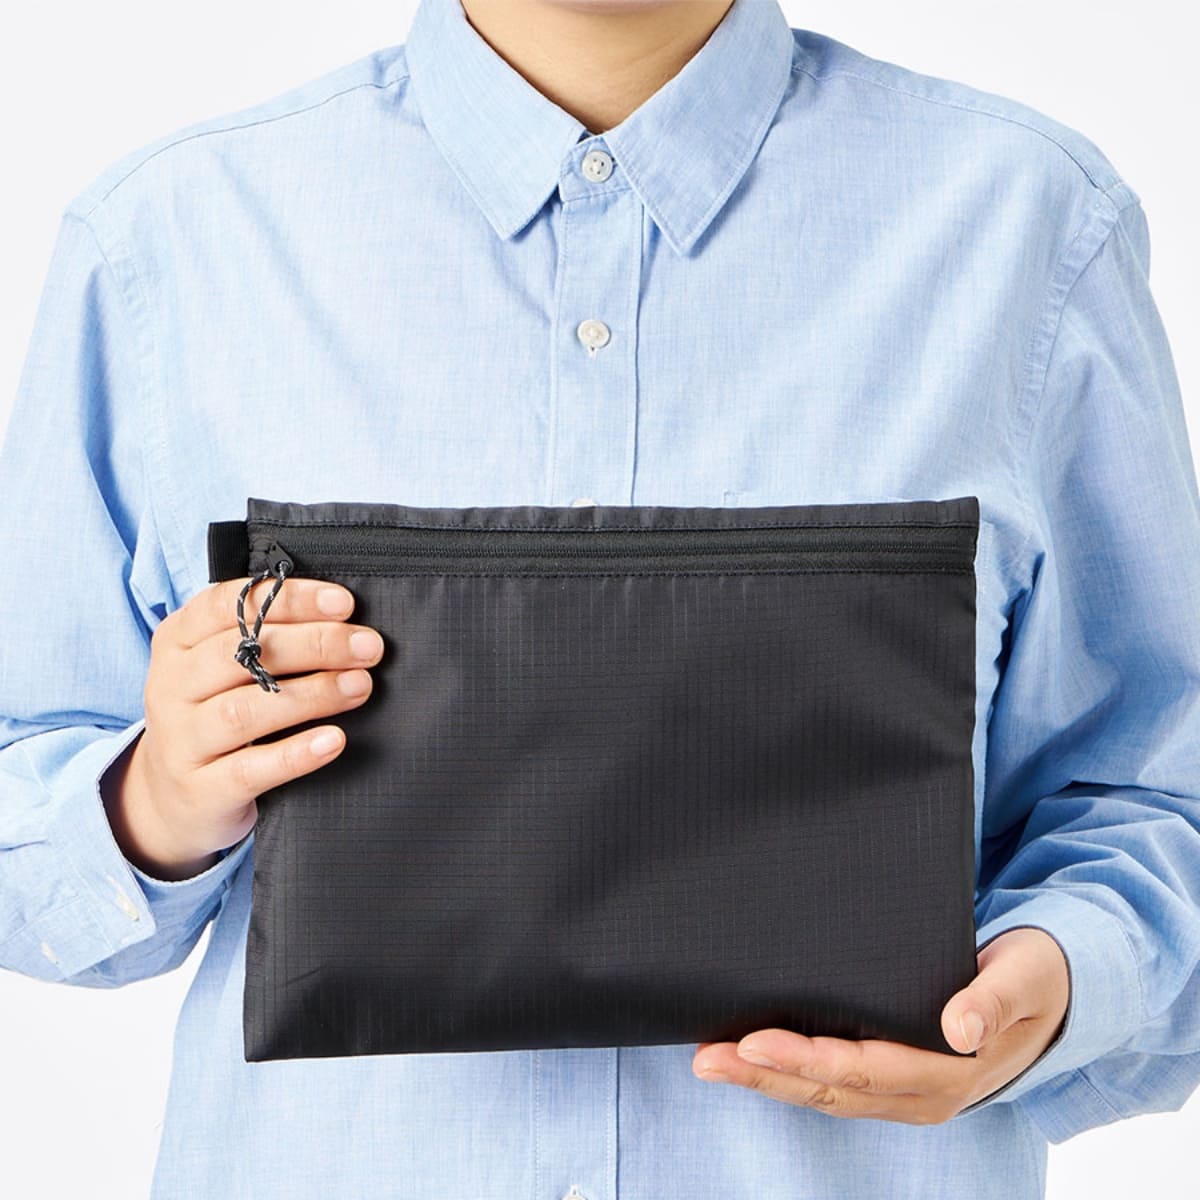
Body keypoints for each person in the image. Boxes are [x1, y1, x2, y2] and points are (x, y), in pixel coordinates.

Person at [1, 0, 1198, 1195]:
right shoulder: (170, 241)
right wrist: (153, 800)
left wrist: (1061, 977)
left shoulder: (1030, 224)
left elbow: (1159, 791)